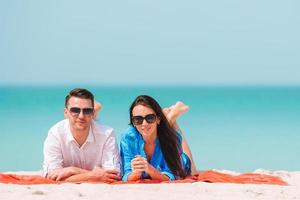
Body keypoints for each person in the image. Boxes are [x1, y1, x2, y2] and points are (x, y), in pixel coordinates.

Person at [43, 88, 120, 183]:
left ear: (92, 113)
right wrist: (93, 175)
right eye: (75, 110)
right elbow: (52, 176)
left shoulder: (107, 134)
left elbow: (113, 176)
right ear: (65, 112)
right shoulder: (55, 134)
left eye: (87, 111)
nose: (81, 116)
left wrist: (72, 171)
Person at [120, 95, 197, 181]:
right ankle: (170, 117)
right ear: (133, 122)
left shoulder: (174, 138)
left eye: (150, 118)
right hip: (161, 130)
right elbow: (126, 175)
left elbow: (172, 176)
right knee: (164, 130)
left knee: (193, 171)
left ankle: (172, 116)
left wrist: (150, 169)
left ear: (158, 119)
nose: (144, 123)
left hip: (180, 162)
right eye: (138, 119)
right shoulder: (128, 138)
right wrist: (136, 173)